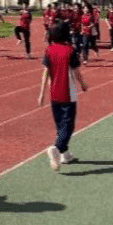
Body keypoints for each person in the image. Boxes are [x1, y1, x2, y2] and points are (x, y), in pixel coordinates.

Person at [39, 20, 88, 172]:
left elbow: (45, 73)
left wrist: (41, 94)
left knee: (60, 124)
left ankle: (65, 155)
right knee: (68, 125)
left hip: (54, 93)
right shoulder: (70, 51)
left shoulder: (49, 50)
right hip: (68, 93)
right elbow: (76, 71)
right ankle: (56, 148)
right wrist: (83, 84)